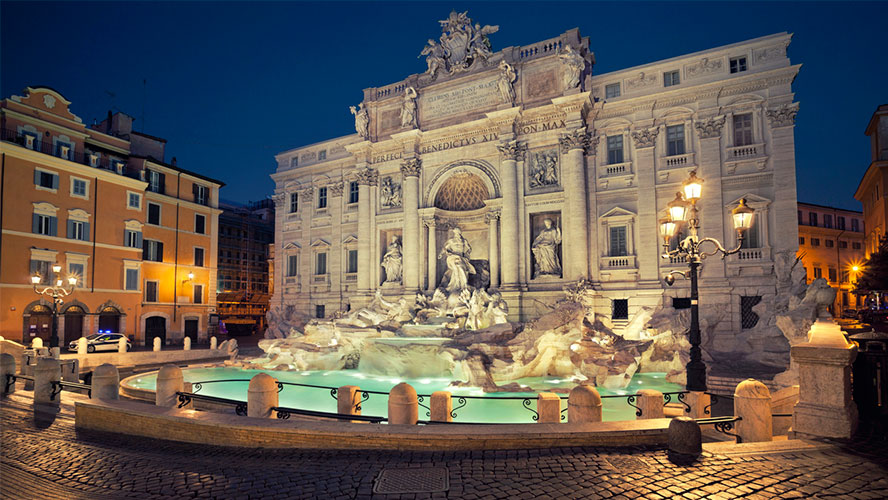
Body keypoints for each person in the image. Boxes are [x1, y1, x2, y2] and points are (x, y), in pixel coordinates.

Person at [438, 227, 475, 292]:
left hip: (461, 257)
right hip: (452, 256)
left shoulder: (464, 241)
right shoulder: (451, 241)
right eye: (457, 233)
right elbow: (445, 248)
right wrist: (441, 254)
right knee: (456, 267)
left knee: (461, 268)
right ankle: (456, 284)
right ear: (455, 233)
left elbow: (469, 248)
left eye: (459, 233)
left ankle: (462, 284)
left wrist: (467, 253)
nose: (458, 235)